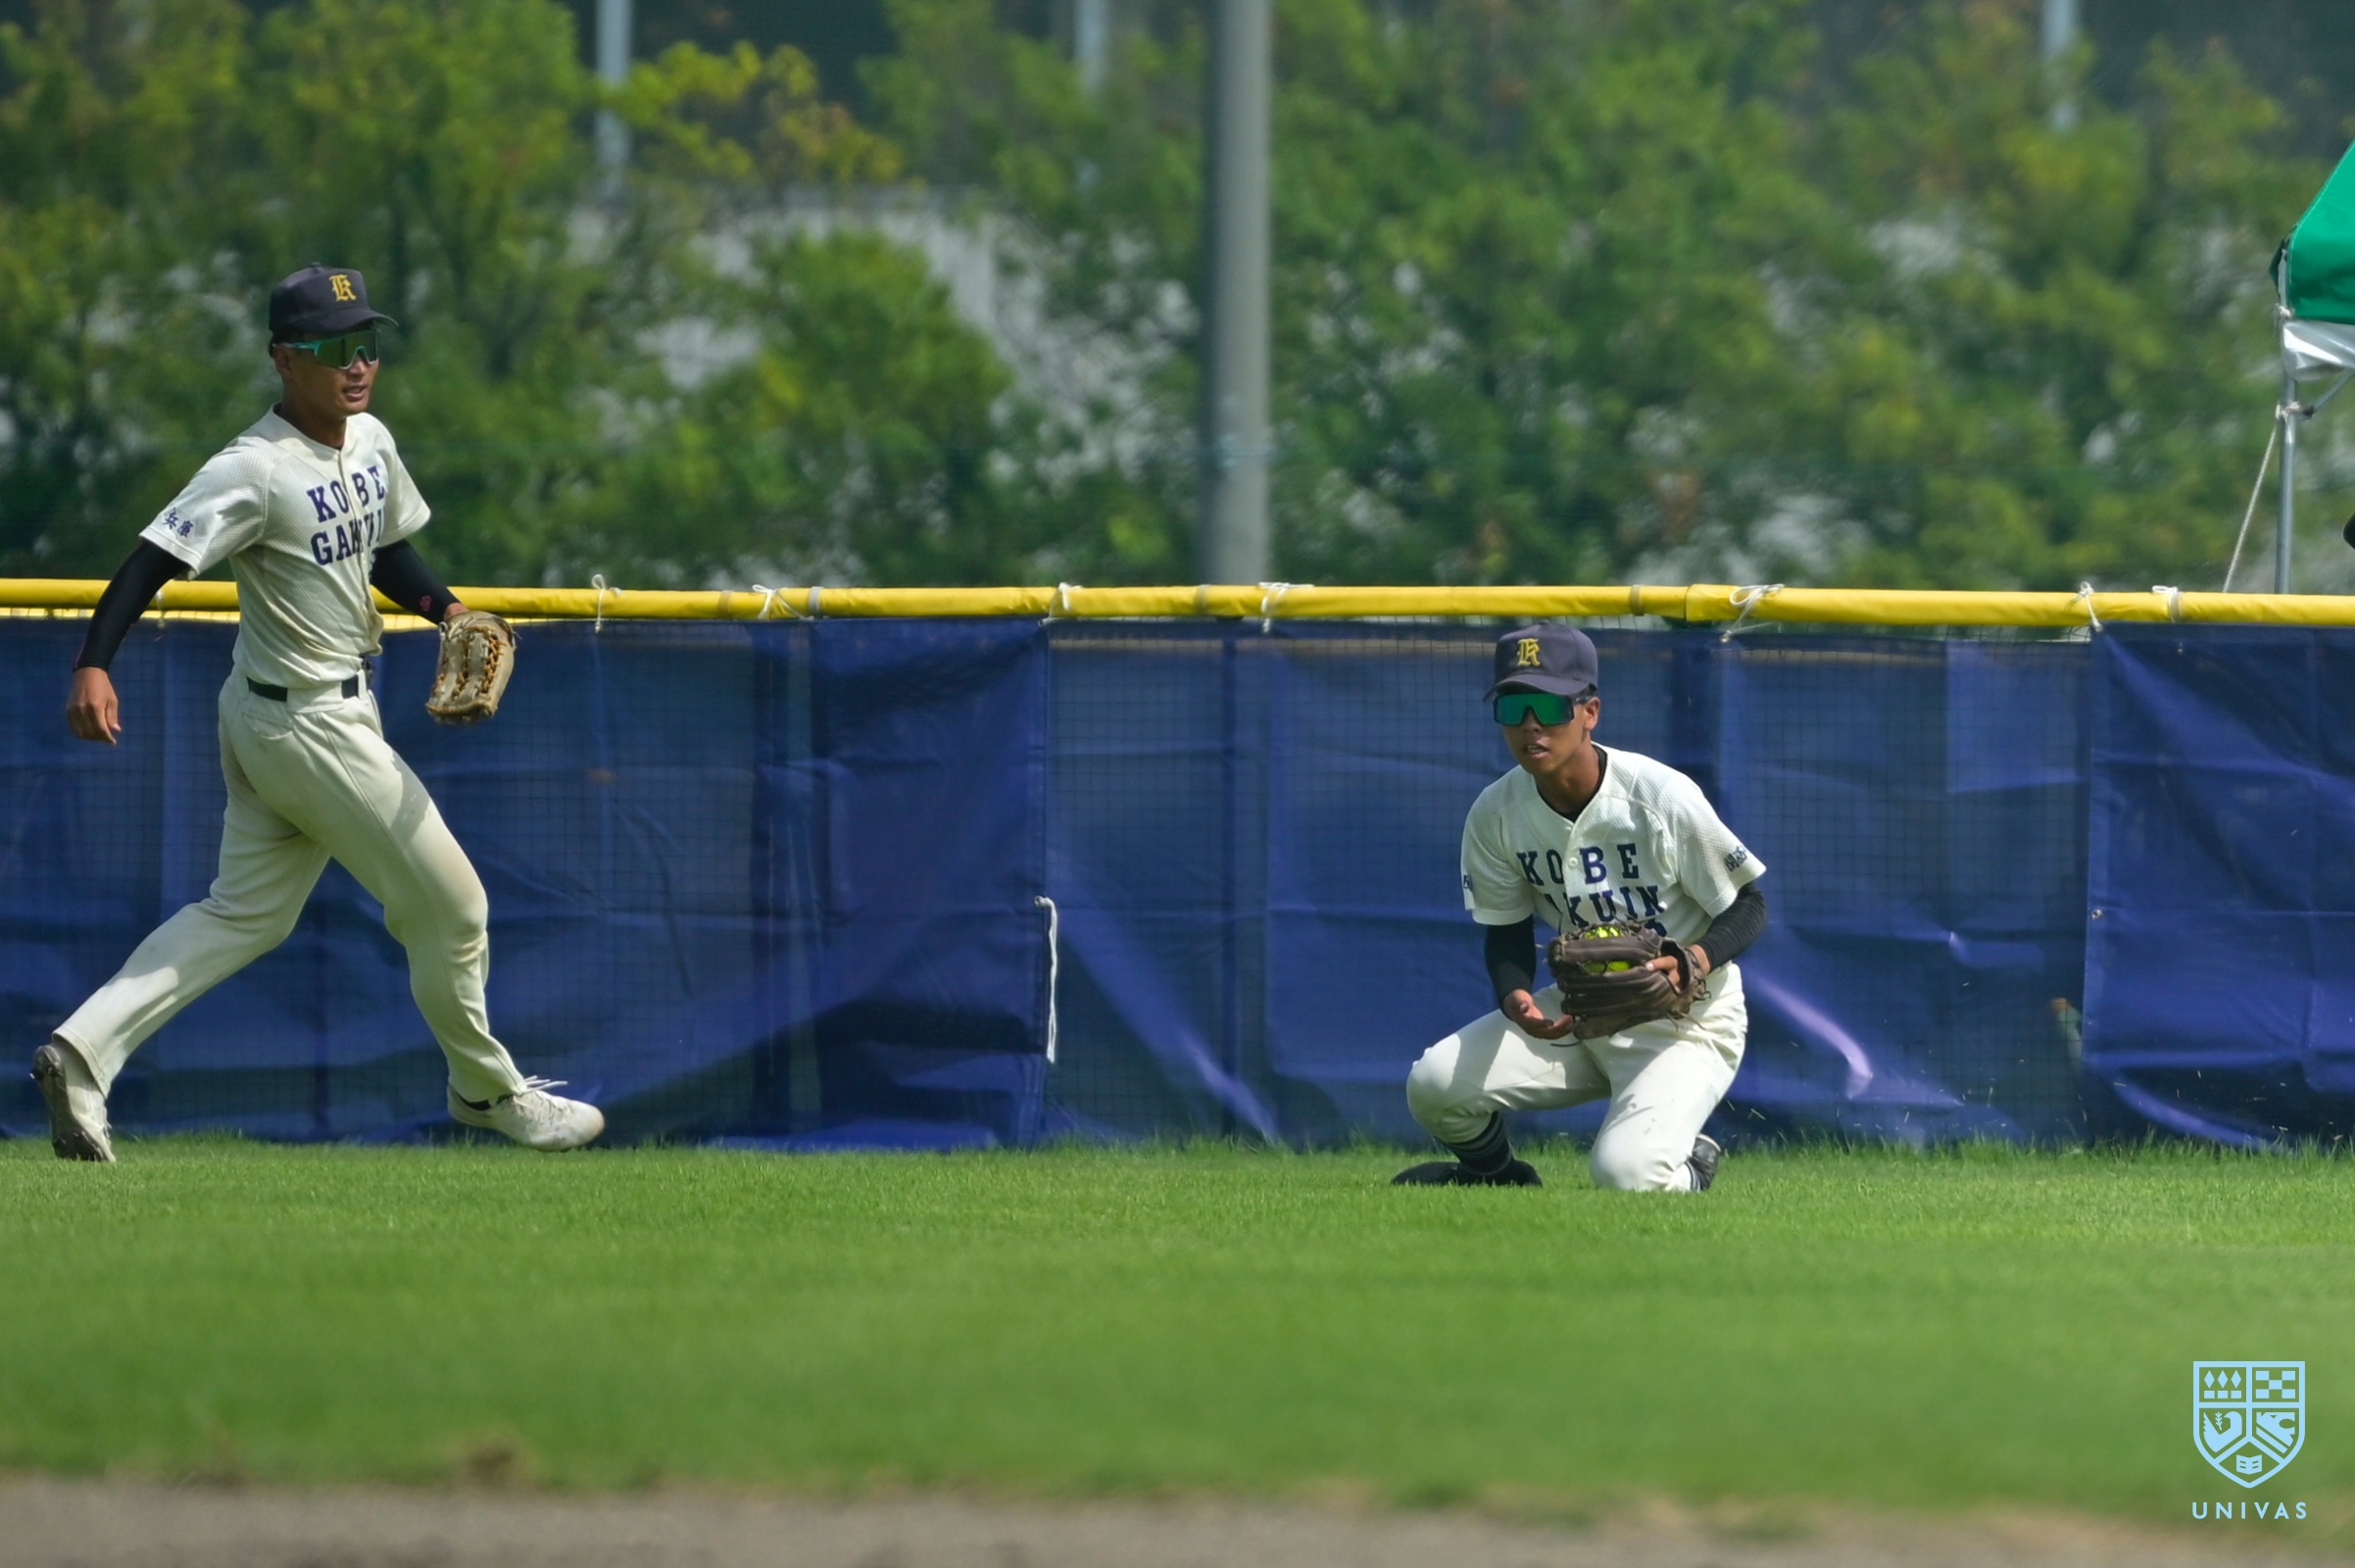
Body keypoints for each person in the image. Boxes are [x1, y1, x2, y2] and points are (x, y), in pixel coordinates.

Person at [29, 264, 604, 1161]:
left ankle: (80, 1054)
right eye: (333, 348)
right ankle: (487, 1092)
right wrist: (93, 664)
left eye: (366, 343)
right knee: (455, 907)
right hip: (307, 723)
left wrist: (449, 611)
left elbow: (385, 549)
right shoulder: (253, 468)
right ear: (284, 360)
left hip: (290, 713)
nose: (357, 363)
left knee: (244, 915)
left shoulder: (369, 439)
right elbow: (151, 559)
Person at [1394, 624, 1766, 1191]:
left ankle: (1690, 1164)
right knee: (1434, 1085)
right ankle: (1498, 1177)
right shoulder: (1495, 813)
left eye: (1549, 705)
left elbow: (1749, 906)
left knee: (1627, 1175)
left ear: (1590, 712)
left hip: (1684, 1021)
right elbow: (1506, 929)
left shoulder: (1658, 796)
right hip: (1580, 1011)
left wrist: (1693, 959)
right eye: (1513, 707)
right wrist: (1516, 996)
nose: (1530, 724)